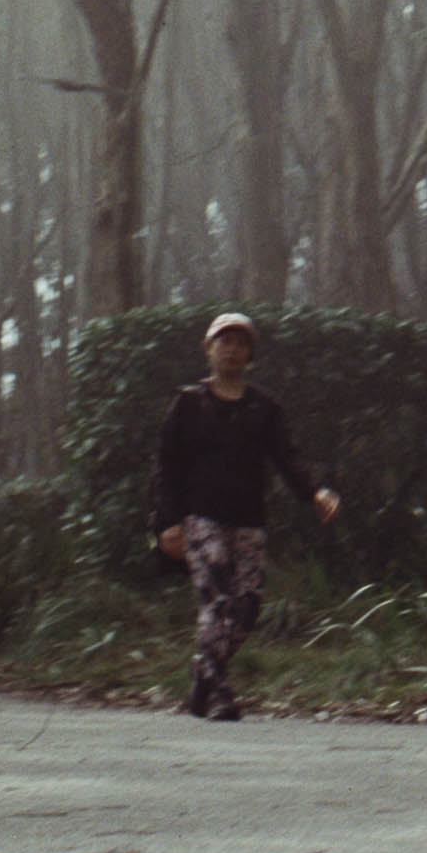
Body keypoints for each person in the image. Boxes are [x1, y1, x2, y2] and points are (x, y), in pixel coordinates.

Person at [150, 309, 339, 720]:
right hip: (201, 518)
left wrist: (315, 492)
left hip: (249, 519)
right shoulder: (188, 404)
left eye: (241, 344)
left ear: (251, 355)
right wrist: (166, 523)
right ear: (208, 350)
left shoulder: (264, 408)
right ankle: (219, 692)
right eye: (224, 342)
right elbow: (166, 466)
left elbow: (288, 458)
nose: (232, 351)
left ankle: (202, 674)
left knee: (247, 607)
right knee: (216, 600)